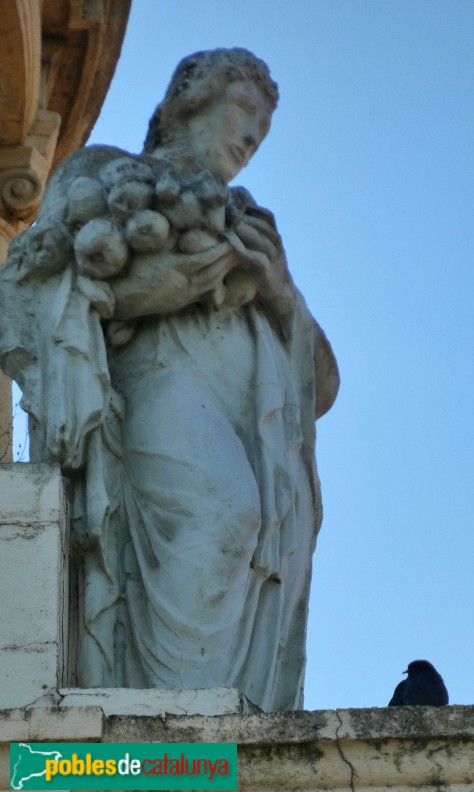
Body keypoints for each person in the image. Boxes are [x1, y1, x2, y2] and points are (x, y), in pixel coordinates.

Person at [0, 49, 339, 711]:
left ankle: (202, 730)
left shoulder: (252, 231)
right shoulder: (106, 174)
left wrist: (280, 291)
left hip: (247, 431)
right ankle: (169, 732)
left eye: (263, 132)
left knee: (233, 531)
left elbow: (321, 385)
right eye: (245, 113)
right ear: (191, 92)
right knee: (220, 514)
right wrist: (174, 282)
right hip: (155, 385)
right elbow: (45, 289)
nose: (250, 139)